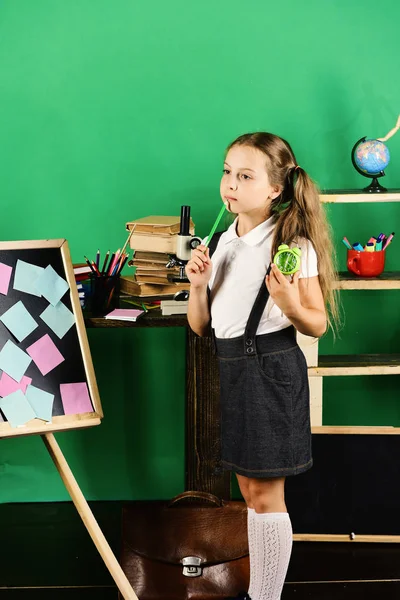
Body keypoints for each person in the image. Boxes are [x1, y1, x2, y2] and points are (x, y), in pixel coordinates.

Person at [185, 132, 338, 600]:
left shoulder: (289, 243)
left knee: (267, 496)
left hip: (269, 370)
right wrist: (197, 285)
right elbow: (200, 326)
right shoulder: (223, 238)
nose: (230, 183)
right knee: (249, 492)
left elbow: (316, 324)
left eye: (245, 176)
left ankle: (265, 597)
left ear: (275, 189)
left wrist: (289, 300)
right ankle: (262, 592)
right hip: (231, 367)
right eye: (227, 171)